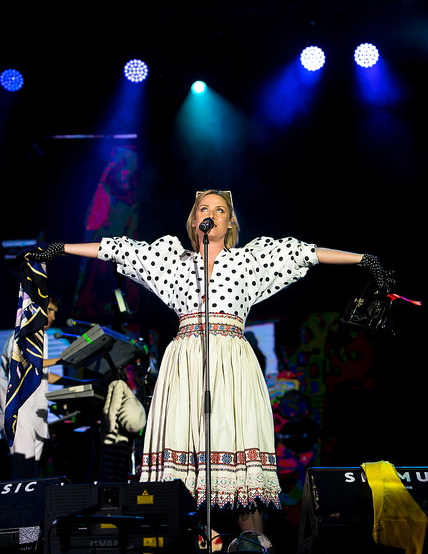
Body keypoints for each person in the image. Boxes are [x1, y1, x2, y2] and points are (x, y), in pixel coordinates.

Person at [27, 190, 386, 534]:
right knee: (183, 462)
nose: (211, 214)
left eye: (219, 210)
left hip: (231, 365)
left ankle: (254, 542)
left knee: (237, 458)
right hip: (185, 366)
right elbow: (117, 248)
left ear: (230, 223)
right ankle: (195, 537)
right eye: (204, 209)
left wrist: (362, 259)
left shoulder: (249, 261)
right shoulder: (173, 262)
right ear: (193, 220)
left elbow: (304, 253)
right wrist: (60, 249)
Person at [0, 294, 63, 479]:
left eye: (54, 312)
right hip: (19, 414)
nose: (52, 317)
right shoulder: (21, 335)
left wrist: (79, 383)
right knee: (23, 473)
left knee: (31, 473)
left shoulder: (43, 338)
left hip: (36, 415)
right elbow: (26, 364)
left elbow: (43, 374)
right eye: (49, 311)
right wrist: (61, 360)